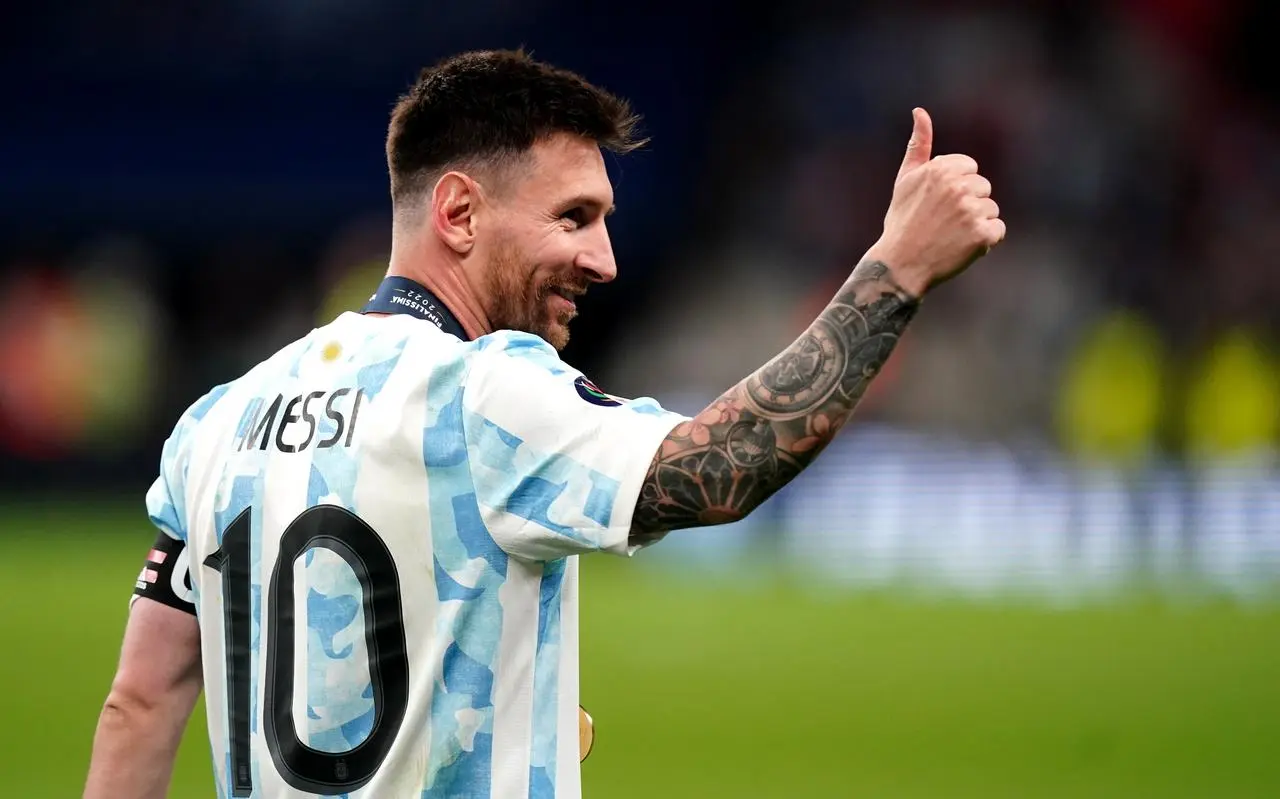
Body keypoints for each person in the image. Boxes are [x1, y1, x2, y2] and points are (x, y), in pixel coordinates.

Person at [83, 48, 1004, 799]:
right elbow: (724, 463)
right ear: (458, 212)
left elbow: (141, 700)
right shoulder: (485, 391)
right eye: (574, 217)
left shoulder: (220, 420)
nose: (603, 259)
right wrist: (895, 270)